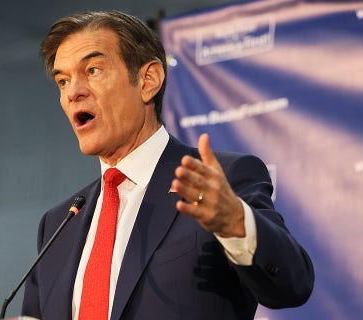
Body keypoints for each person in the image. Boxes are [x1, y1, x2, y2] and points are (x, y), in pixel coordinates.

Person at [21, 10, 314, 320]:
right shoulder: (57, 225)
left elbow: (292, 285)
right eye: (62, 81)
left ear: (148, 81)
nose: (73, 92)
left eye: (93, 70)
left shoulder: (221, 182)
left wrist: (236, 223)